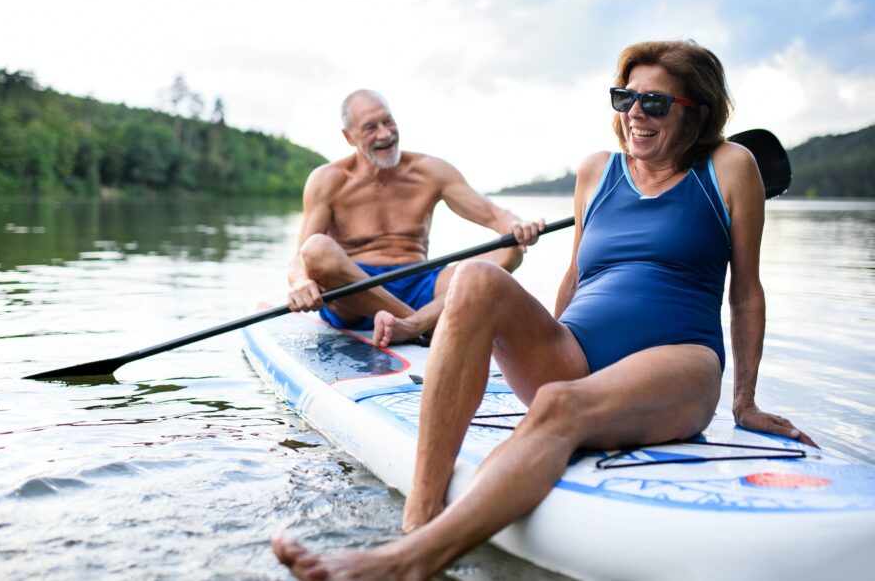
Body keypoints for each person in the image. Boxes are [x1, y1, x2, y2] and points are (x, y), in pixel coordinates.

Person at [272, 41, 818, 580]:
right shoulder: (596, 171)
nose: (634, 115)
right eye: (624, 98)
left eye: (654, 104)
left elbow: (746, 291)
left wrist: (744, 401)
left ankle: (411, 561)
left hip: (679, 361)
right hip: (576, 351)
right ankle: (417, 518)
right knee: (477, 277)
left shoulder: (730, 166)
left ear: (696, 112)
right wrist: (542, 346)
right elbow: (576, 276)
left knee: (558, 403)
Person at [286, 88, 543, 347]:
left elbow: (494, 214)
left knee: (509, 249)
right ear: (349, 137)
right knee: (316, 249)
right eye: (370, 128)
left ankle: (413, 325)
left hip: (421, 285)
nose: (385, 134)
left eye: (388, 122)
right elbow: (301, 257)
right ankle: (422, 324)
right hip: (354, 297)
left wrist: (516, 225)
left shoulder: (430, 171)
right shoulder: (328, 179)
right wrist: (300, 282)